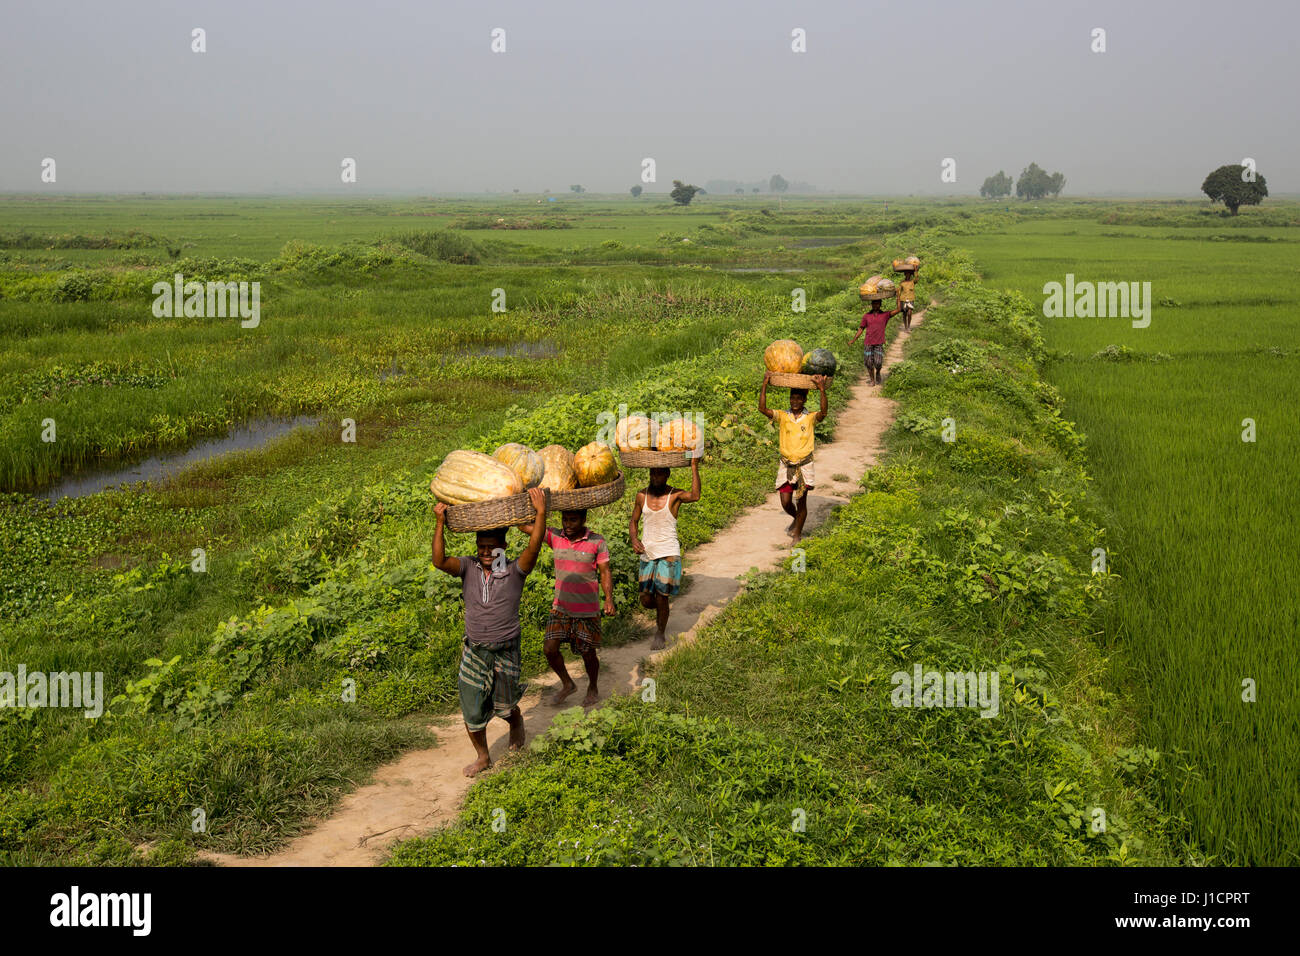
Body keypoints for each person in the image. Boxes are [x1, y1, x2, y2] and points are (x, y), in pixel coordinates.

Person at [431, 486, 547, 778]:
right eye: (481, 547)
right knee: (471, 707)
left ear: (503, 548)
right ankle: (483, 756)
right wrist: (440, 523)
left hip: (506, 648)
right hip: (475, 650)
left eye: (492, 548)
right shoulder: (467, 567)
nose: (485, 553)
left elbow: (533, 548)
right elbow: (439, 561)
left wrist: (541, 512)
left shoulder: (514, 571)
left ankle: (516, 719)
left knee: (505, 705)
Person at [518, 508, 615, 706]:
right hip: (560, 607)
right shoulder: (554, 536)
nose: (568, 524)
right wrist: (536, 507)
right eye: (564, 519)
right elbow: (523, 526)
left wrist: (608, 599)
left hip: (587, 610)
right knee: (549, 649)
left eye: (573, 520)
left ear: (584, 520)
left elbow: (605, 572)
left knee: (588, 654)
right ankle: (568, 683)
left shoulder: (597, 541)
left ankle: (593, 686)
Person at [629, 458, 701, 649]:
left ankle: (660, 633)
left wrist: (694, 466)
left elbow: (695, 495)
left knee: (662, 596)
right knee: (645, 599)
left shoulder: (674, 495)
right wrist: (635, 540)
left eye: (660, 473)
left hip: (668, 552)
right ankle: (663, 610)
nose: (656, 476)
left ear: (667, 474)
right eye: (653, 473)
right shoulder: (641, 496)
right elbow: (633, 521)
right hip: (648, 552)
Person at [759, 373, 828, 544]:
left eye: (798, 399)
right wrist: (765, 385)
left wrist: (821, 389)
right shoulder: (783, 416)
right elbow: (762, 409)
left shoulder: (810, 418)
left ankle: (797, 534)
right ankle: (797, 519)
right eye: (792, 398)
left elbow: (824, 412)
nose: (795, 402)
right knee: (785, 502)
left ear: (804, 400)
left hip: (804, 465)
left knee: (801, 501)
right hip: (786, 465)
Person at [850, 299, 903, 386]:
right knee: (868, 363)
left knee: (878, 363)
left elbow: (898, 309)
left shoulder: (885, 315)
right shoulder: (866, 316)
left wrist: (898, 296)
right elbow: (861, 328)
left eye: (877, 303)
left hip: (879, 343)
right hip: (868, 342)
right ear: (871, 304)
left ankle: (878, 372)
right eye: (874, 303)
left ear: (880, 304)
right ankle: (872, 380)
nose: (875, 305)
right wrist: (854, 339)